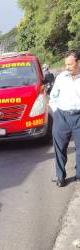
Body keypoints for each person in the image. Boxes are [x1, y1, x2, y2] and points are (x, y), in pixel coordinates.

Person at [49, 50, 80, 187]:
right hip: (61, 117)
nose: (67, 67)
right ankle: (60, 177)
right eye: (66, 64)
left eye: (70, 64)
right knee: (59, 148)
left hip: (78, 117)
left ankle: (79, 176)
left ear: (78, 62)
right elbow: (53, 97)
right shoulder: (61, 77)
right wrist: (56, 112)